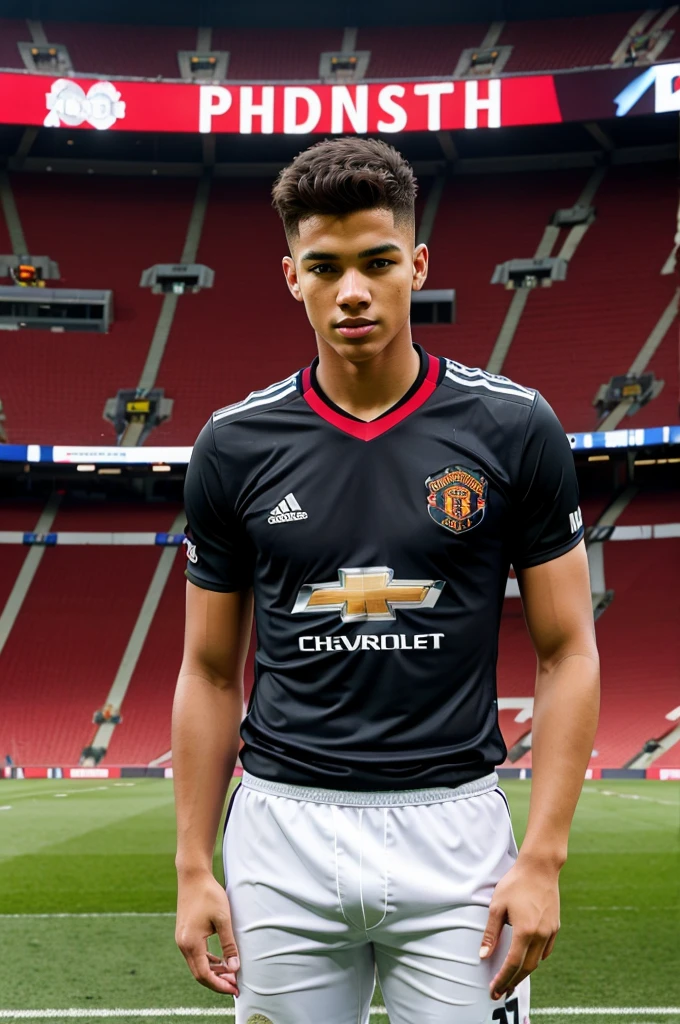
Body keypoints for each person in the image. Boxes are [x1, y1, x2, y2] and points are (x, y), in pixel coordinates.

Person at [173, 138, 600, 1024]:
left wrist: (545, 857)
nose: (353, 291)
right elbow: (209, 671)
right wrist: (192, 864)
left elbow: (568, 652)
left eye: (376, 262)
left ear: (418, 262)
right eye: (324, 268)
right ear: (292, 275)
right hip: (281, 833)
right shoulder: (232, 445)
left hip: (457, 833)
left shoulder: (514, 428)